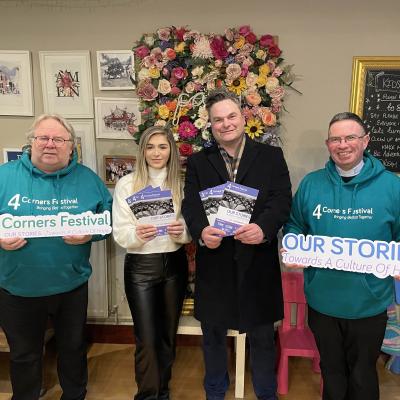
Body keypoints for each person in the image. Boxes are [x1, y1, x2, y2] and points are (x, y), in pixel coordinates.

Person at [181, 89, 292, 400]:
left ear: (244, 117)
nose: (225, 124)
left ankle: (266, 394)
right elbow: (191, 205)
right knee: (213, 337)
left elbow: (282, 199)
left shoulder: (271, 157)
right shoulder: (200, 162)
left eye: (231, 116)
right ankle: (214, 393)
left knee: (262, 337)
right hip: (215, 265)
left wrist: (263, 228)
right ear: (211, 125)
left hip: (258, 261)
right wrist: (202, 231)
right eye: (218, 119)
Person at [283, 111, 400, 400]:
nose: (342, 144)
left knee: (362, 375)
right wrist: (294, 244)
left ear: (365, 141)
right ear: (328, 144)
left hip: (369, 302)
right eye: (335, 139)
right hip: (323, 299)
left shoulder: (392, 187)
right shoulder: (312, 184)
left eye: (350, 137)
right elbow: (295, 224)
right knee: (332, 372)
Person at [0, 114, 112, 400]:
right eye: (43, 138)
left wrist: (91, 234)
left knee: (73, 348)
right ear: (31, 143)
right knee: (24, 355)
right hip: (18, 287)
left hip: (70, 286)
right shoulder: (5, 176)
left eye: (58, 139)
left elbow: (109, 220)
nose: (50, 144)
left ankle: (75, 394)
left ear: (71, 146)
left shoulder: (88, 179)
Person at [112, 126, 190, 400]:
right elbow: (120, 232)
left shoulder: (181, 184)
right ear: (142, 151)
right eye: (150, 147)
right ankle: (147, 395)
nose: (156, 153)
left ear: (171, 151)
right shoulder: (127, 184)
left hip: (175, 264)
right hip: (141, 268)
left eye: (162, 146)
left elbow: (193, 226)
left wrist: (183, 231)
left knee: (168, 335)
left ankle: (163, 391)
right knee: (146, 337)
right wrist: (136, 234)